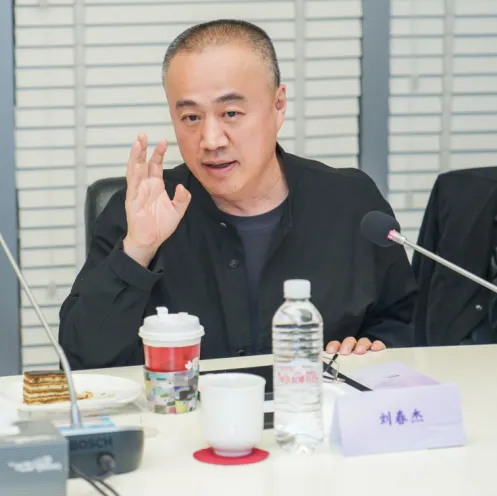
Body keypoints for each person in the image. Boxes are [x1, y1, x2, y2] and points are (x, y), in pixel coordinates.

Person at [59, 19, 417, 369]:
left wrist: (374, 347)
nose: (211, 140)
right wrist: (137, 251)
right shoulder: (138, 212)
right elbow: (82, 361)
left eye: (230, 113)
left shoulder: (352, 205)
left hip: (313, 407)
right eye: (191, 118)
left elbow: (407, 324)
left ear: (278, 105)